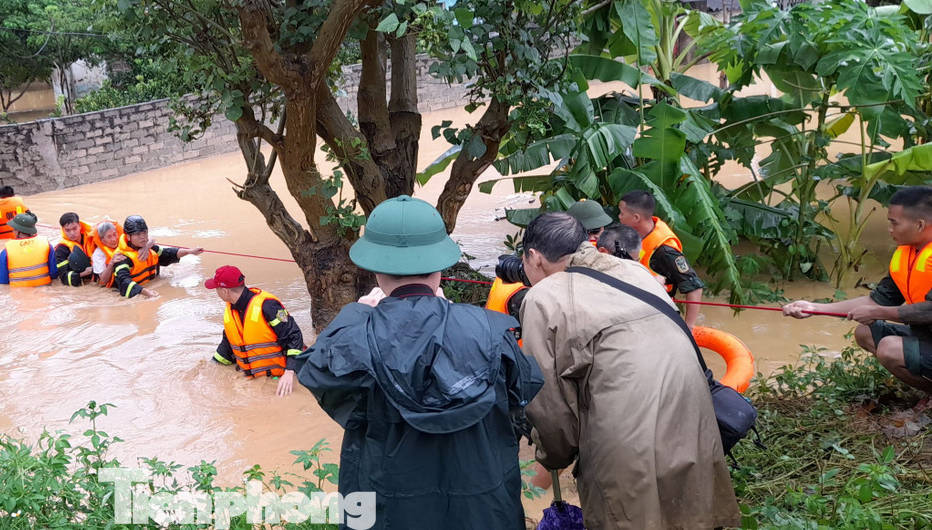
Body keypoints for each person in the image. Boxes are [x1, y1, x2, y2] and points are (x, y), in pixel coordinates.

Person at [293, 196, 543, 528]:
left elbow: (314, 370)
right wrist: (458, 318)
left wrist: (358, 313)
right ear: (439, 264)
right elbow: (524, 390)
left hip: (387, 510)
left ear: (376, 268)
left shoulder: (356, 337)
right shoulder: (491, 331)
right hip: (482, 507)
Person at [517, 212, 740, 530]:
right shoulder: (637, 271)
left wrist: (552, 456)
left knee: (630, 517)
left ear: (534, 258)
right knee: (693, 516)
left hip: (626, 448)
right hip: (694, 427)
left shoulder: (543, 297)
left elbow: (550, 407)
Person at [782, 186, 932, 398]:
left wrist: (878, 313)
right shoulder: (909, 254)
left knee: (890, 348)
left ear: (919, 225)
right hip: (926, 336)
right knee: (865, 332)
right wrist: (816, 308)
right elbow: (876, 302)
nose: (889, 229)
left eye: (894, 222)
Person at [206, 265, 306, 396]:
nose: (216, 292)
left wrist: (289, 372)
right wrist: (212, 366)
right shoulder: (231, 309)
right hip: (254, 379)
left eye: (216, 288)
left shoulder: (268, 306)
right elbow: (228, 343)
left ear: (225, 291)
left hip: (281, 377)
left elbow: (294, 336)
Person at [619, 189, 705, 327]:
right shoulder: (632, 235)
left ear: (636, 218)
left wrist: (689, 327)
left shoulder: (665, 251)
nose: (619, 217)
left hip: (660, 315)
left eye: (622, 213)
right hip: (636, 308)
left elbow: (694, 287)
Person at [110, 215, 204, 298]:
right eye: (138, 234)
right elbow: (124, 282)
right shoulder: (121, 258)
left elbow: (168, 253)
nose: (143, 237)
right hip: (131, 293)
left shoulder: (150, 248)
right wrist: (146, 292)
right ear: (128, 237)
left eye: (145, 233)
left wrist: (189, 251)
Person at [0, 213, 56, 287]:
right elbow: (54, 273)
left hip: (19, 293)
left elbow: (2, 281)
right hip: (45, 290)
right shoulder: (46, 244)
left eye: (13, 229)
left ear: (17, 231)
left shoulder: (6, 251)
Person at [55, 212, 97, 287]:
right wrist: (83, 274)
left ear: (80, 226)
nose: (72, 233)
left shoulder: (93, 238)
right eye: (67, 230)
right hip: (84, 282)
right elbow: (64, 278)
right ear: (63, 230)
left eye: (75, 228)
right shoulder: (61, 250)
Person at [92, 221, 123, 287]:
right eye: (109, 237)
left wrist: (146, 247)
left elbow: (148, 240)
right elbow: (103, 281)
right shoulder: (98, 254)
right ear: (103, 241)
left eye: (115, 234)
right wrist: (111, 263)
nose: (114, 239)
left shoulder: (124, 242)